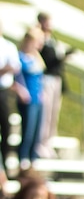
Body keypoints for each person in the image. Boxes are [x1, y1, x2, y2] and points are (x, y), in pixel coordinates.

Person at [37, 11, 74, 155]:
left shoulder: (52, 38)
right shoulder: (40, 38)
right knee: (45, 113)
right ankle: (41, 143)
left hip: (56, 77)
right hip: (46, 78)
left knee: (53, 112)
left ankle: (48, 142)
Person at [16, 27, 46, 170]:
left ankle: (33, 156)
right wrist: (21, 90)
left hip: (37, 98)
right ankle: (23, 157)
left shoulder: (36, 57)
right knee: (27, 130)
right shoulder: (20, 57)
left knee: (37, 130)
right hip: (27, 99)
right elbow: (17, 77)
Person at [0, 21, 26, 183]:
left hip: (4, 91)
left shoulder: (8, 46)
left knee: (7, 128)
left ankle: (5, 165)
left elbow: (15, 66)